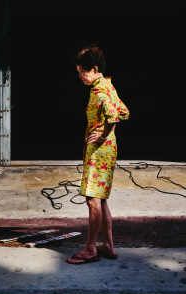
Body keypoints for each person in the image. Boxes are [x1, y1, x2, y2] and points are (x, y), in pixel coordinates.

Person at [67, 45, 130, 265]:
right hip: (108, 149)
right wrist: (107, 131)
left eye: (82, 72)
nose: (79, 76)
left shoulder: (98, 89)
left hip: (100, 151)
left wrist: (102, 135)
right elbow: (124, 112)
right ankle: (109, 246)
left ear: (94, 68)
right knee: (101, 200)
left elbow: (113, 115)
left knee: (93, 200)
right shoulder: (108, 85)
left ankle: (90, 249)